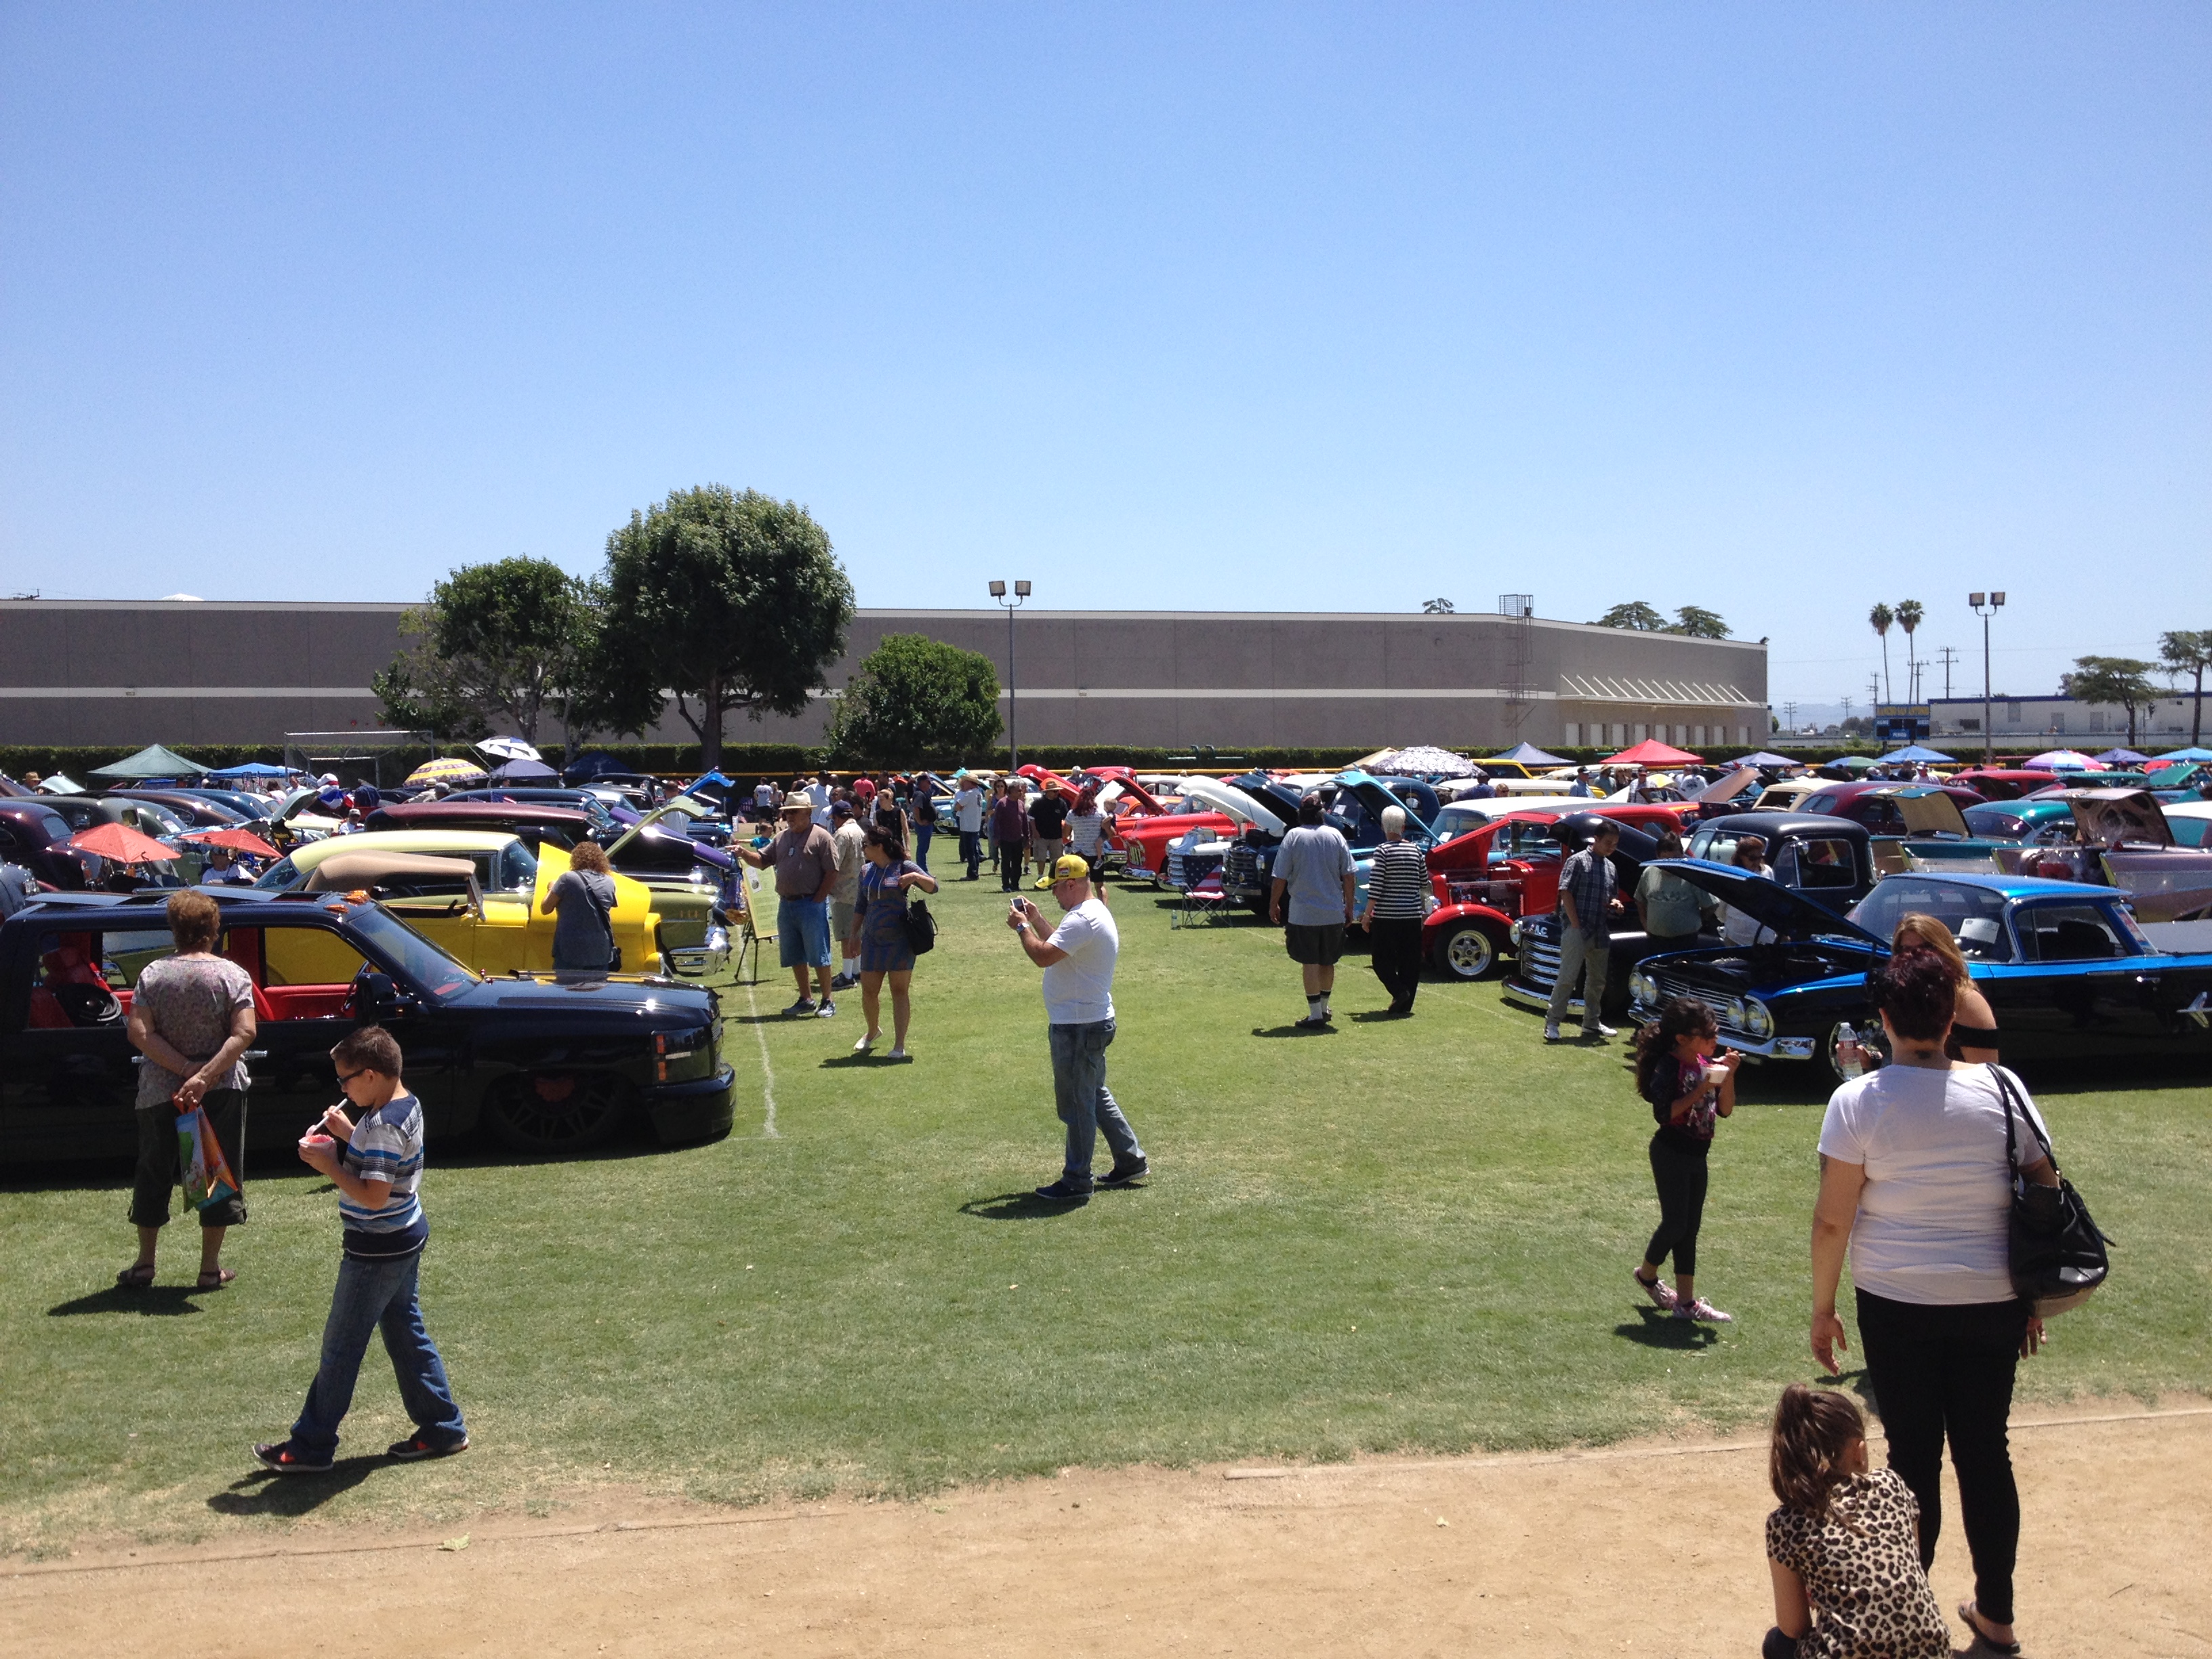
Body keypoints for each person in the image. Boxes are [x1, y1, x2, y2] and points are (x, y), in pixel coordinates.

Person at [1811, 951, 2058, 1658]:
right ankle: (1998, 1616)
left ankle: (1907, 1617)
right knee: (1987, 1454)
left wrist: (1822, 1308)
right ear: (1952, 1019)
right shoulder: (2003, 1088)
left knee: (1912, 1460)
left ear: (1884, 1022)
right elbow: (2043, 1193)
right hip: (1993, 1301)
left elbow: (1834, 1221)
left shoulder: (1857, 1101)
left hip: (1896, 1302)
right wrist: (2032, 1297)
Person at [253, 1025, 468, 1474]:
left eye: (346, 1079)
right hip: (405, 1233)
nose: (344, 1088)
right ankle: (443, 1428)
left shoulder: (386, 1122)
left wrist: (329, 1164)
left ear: (370, 1076)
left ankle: (310, 1446)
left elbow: (373, 1194)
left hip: (377, 1248)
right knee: (406, 1334)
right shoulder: (401, 1105)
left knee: (341, 1348)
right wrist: (350, 1132)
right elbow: (386, 1163)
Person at [118, 890, 254, 1291]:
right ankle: (209, 1269)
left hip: (161, 1091)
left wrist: (184, 1071)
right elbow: (245, 1032)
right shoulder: (232, 975)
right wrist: (205, 1075)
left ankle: (145, 1264)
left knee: (154, 1171)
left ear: (174, 929)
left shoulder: (153, 975)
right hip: (222, 1089)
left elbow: (139, 1032)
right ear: (214, 930)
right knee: (215, 1174)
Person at [1763, 1384, 1950, 1659]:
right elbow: (1911, 1564)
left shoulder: (1786, 1522)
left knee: (1777, 1645)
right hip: (1931, 1652)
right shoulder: (1891, 1485)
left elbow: (1794, 1627)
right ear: (1858, 1451)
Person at [1008, 855, 1146, 1202]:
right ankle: (1130, 1160)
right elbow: (1063, 947)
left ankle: (1076, 1179)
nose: (1054, 894)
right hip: (1089, 1019)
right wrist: (1038, 920)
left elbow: (1044, 955)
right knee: (1094, 1094)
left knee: (1078, 1104)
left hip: (1078, 1025)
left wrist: (1023, 928)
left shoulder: (1082, 919)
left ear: (1071, 884)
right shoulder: (1093, 912)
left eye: (1056, 887)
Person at [1629, 996, 1738, 1322]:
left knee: (1690, 1229)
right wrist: (1702, 1086)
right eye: (1706, 1035)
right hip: (1670, 1152)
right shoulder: (1670, 1066)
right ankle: (1647, 1275)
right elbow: (1665, 1114)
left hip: (1697, 1155)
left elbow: (1726, 1109)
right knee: (1675, 1223)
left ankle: (1686, 1303)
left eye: (1715, 1033)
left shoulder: (1708, 1065)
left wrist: (1728, 1076)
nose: (1714, 1040)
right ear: (1682, 1039)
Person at [737, 799, 839, 1017]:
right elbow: (763, 860)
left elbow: (832, 871)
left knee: (819, 954)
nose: (789, 817)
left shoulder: (821, 837)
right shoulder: (781, 837)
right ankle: (806, 998)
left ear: (807, 813)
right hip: (787, 904)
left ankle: (828, 1000)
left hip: (811, 904)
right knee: (795, 954)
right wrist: (744, 854)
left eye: (794, 812)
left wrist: (819, 899)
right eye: (787, 813)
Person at [846, 824, 938, 1061]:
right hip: (872, 939)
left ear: (879, 846)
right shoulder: (866, 871)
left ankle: (899, 1045)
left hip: (900, 940)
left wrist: (917, 877)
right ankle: (872, 1031)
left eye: (865, 845)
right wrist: (853, 934)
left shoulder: (903, 867)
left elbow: (933, 887)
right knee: (869, 991)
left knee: (899, 991)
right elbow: (860, 905)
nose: (863, 848)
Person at [1269, 793, 1355, 1028]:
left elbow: (1280, 877)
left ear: (1300, 813)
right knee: (1328, 962)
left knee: (1310, 962)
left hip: (1303, 913)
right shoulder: (1335, 835)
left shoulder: (1293, 837)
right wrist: (1349, 906)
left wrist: (1273, 903)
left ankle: (1316, 1013)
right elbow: (1349, 875)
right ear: (1322, 813)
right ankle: (1324, 1007)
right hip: (1332, 911)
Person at [1545, 820, 1622, 1041]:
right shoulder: (1577, 861)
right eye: (1608, 842)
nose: (1611, 847)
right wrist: (1575, 923)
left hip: (1600, 929)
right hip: (1577, 930)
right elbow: (1565, 892)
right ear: (1595, 839)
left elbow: (1612, 896)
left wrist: (1615, 903)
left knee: (1597, 981)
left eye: (1615, 844)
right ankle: (1553, 1021)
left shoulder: (1611, 867)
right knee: (1568, 977)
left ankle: (1591, 1023)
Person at [1889, 913, 2000, 1064]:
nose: (1915, 957)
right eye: (1906, 950)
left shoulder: (1966, 1000)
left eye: (1926, 948)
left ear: (1944, 950)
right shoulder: (1899, 994)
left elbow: (1984, 1072)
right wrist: (1872, 1059)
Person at [1354, 804, 1430, 1015]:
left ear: (1384, 827)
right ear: (1404, 827)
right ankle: (1405, 1004)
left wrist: (1367, 915)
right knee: (1410, 961)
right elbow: (1424, 882)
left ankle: (1398, 991)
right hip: (1412, 914)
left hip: (1388, 915)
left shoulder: (1382, 851)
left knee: (1381, 960)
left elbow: (1376, 887)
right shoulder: (1416, 850)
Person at [538, 840, 618, 972]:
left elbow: (545, 909)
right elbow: (612, 904)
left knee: (567, 991)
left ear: (575, 860)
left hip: (571, 951)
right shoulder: (610, 881)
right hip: (601, 951)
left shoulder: (567, 879)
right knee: (597, 991)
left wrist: (551, 888)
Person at [1633, 830, 1716, 956]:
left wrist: (1696, 920)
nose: (1671, 863)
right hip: (1656, 941)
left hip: (1686, 942)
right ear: (1658, 856)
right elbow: (1639, 900)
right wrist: (1645, 924)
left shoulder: (1692, 876)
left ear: (1682, 855)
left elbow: (1711, 905)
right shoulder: (1649, 872)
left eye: (1675, 858)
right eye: (1666, 859)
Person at [827, 800, 867, 990]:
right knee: (856, 933)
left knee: (845, 935)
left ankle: (847, 975)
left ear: (837, 817)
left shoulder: (842, 834)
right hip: (860, 889)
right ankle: (857, 970)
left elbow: (834, 863)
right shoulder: (860, 831)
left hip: (843, 890)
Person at [1720, 834, 1776, 947]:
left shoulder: (1768, 872)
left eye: (1760, 857)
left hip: (1764, 937)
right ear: (1741, 856)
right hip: (1736, 936)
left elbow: (1773, 900)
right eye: (1752, 858)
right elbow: (1721, 908)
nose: (1757, 862)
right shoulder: (1731, 875)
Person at [990, 781, 1028, 893]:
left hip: (1018, 838)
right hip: (1005, 839)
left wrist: (1027, 837)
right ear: (1011, 791)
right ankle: (1006, 885)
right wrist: (996, 837)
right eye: (1019, 790)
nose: (1021, 792)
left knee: (1017, 863)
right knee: (1006, 863)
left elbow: (1024, 822)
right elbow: (996, 822)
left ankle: (1015, 884)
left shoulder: (1021, 804)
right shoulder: (1002, 804)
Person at [1064, 785, 1108, 878]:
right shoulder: (1101, 813)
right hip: (1096, 854)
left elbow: (1066, 833)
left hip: (1078, 852)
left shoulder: (1072, 814)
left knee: (1078, 883)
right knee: (1099, 885)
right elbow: (1109, 831)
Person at [1029, 782, 1069, 877]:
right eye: (1055, 791)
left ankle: (1054, 878)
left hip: (1056, 836)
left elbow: (1067, 818)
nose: (1057, 793)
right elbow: (1031, 818)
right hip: (1041, 836)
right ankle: (1040, 877)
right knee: (1041, 858)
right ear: (1048, 792)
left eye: (1058, 791)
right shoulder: (1038, 803)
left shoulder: (1061, 803)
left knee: (1057, 860)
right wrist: (1034, 831)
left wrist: (1065, 832)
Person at [955, 775, 986, 880]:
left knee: (970, 851)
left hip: (968, 825)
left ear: (970, 783)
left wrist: (959, 807)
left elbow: (957, 806)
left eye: (965, 782)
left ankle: (972, 874)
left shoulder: (970, 794)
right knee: (975, 851)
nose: (963, 784)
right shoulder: (978, 793)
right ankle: (975, 871)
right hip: (975, 825)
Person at [909, 783, 938, 872]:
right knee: (922, 848)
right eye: (928, 782)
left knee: (924, 848)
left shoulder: (924, 793)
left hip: (927, 825)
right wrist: (920, 822)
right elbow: (916, 808)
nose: (929, 785)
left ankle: (923, 869)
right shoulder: (919, 794)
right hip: (923, 826)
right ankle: (922, 870)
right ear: (923, 782)